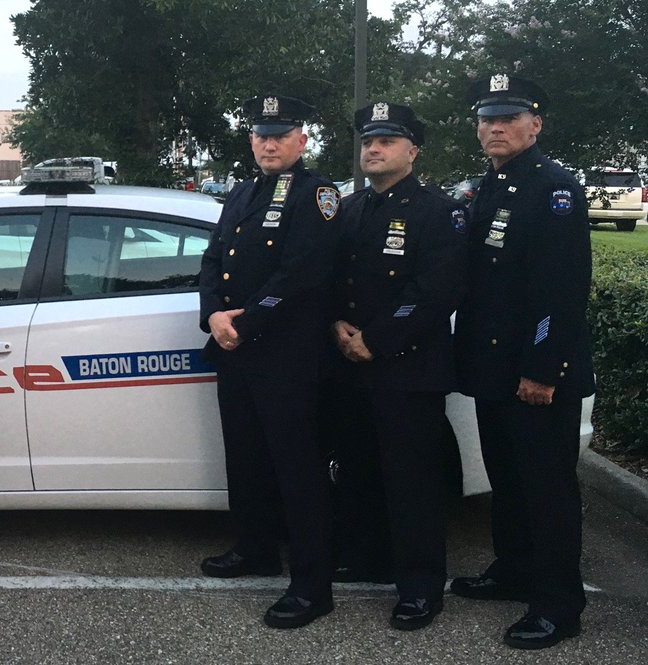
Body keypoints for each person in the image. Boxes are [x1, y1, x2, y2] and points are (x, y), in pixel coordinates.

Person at [450, 74, 594, 650]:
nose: (496, 128)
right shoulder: (489, 186)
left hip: (536, 373)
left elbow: (561, 290)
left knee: (547, 490)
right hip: (494, 367)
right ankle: (513, 570)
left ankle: (559, 605)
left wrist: (542, 368)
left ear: (535, 125)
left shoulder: (554, 189)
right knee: (507, 479)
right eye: (487, 119)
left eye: (508, 118)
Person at [198, 95, 340, 629]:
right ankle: (255, 548)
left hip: (286, 355)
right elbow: (214, 259)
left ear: (301, 140)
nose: (269, 143)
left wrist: (245, 322)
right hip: (236, 351)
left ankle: (312, 587)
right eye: (261, 134)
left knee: (297, 470)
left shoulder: (317, 194)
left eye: (280, 134)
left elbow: (303, 273)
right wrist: (213, 314)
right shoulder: (242, 191)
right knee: (246, 457)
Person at [325, 102, 467, 630]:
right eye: (368, 141)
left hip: (408, 370)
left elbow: (436, 291)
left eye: (386, 141)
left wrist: (376, 339)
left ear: (413, 151)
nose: (373, 149)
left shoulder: (439, 212)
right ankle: (370, 557)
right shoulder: (349, 208)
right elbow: (333, 277)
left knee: (413, 483)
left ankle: (420, 587)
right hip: (352, 366)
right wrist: (337, 323)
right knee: (359, 470)